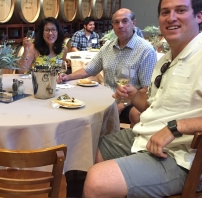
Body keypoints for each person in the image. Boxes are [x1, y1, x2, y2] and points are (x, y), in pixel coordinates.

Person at [84, 0, 202, 197]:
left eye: (180, 10)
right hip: (144, 137)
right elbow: (150, 107)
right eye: (165, 12)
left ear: (198, 16)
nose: (171, 17)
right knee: (85, 152)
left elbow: (176, 124)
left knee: (97, 181)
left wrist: (176, 127)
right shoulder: (165, 59)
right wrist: (133, 96)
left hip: (181, 157)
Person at [59, 8, 157, 127]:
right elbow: (88, 69)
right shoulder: (107, 47)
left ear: (133, 23)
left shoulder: (146, 50)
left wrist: (123, 105)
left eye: (125, 21)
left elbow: (146, 89)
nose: (120, 26)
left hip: (130, 102)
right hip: (107, 98)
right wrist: (68, 76)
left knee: (136, 114)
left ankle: (127, 143)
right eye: (116, 22)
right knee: (73, 106)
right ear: (113, 26)